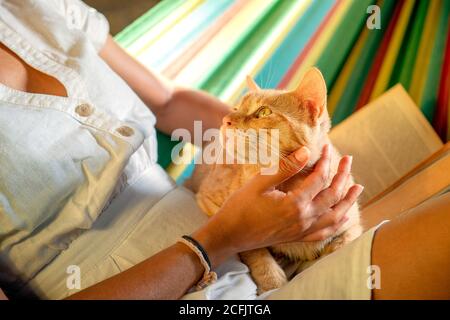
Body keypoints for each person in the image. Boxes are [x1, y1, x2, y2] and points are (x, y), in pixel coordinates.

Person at [0, 0, 448, 300]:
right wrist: (222, 238)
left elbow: (168, 102)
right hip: (181, 280)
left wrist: (277, 150)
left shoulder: (37, 7)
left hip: (247, 230)